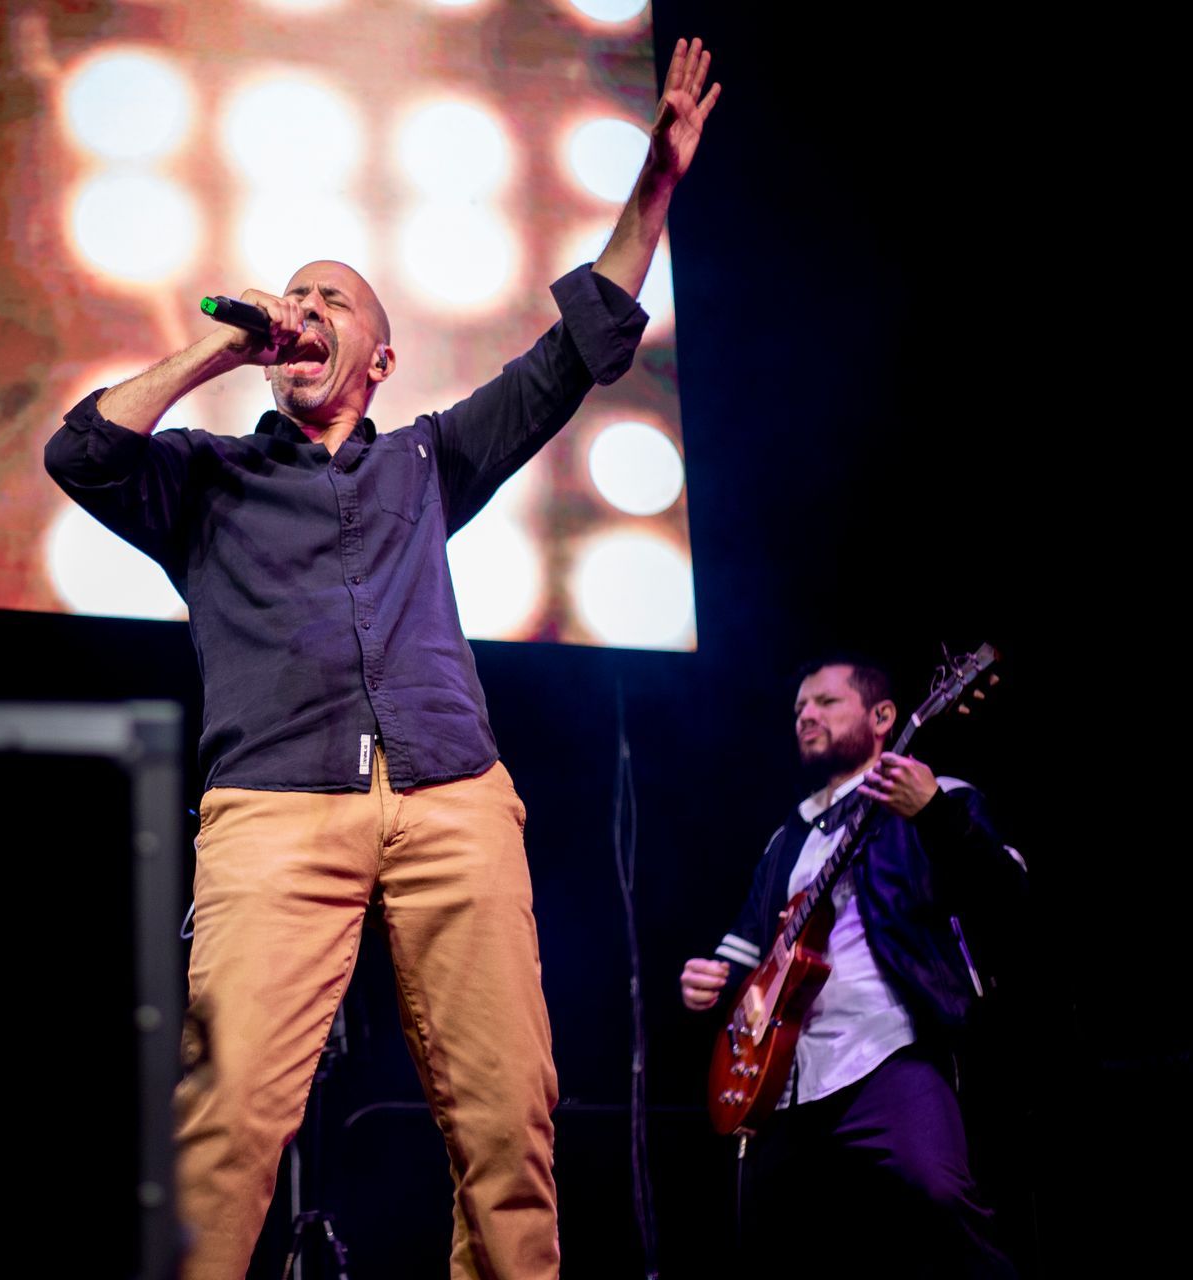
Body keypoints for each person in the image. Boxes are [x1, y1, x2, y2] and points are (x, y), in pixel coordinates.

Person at [47, 38, 719, 1280]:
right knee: (227, 1123)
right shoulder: (208, 480)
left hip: (452, 795)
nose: (302, 311)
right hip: (271, 809)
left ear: (382, 357)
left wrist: (656, 189)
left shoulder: (426, 461)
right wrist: (221, 347)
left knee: (508, 1127)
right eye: (291, 296)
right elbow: (80, 454)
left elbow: (574, 350)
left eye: (330, 302)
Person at [679, 656, 1026, 1278]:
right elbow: (745, 955)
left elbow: (1013, 899)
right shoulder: (786, 839)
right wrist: (712, 981)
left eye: (825, 703)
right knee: (775, 1245)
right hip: (785, 1076)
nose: (805, 716)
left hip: (891, 1050)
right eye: (798, 709)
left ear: (883, 717)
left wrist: (934, 816)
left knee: (942, 1200)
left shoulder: (939, 797)